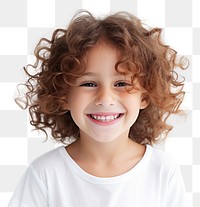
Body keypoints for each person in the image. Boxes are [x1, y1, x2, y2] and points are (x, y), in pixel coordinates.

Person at [8, 10, 188, 207]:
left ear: (145, 95)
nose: (105, 99)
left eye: (121, 84)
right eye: (89, 84)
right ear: (64, 95)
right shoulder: (45, 173)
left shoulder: (162, 170)